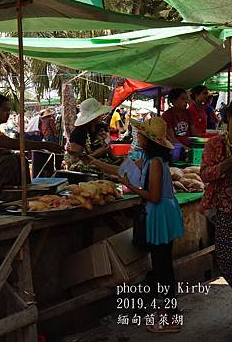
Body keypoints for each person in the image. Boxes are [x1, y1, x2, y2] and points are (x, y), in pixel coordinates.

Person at [82, 117, 184, 333]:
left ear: (148, 139)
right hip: (160, 213)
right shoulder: (148, 159)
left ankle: (170, 319)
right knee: (161, 265)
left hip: (159, 214)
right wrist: (90, 160)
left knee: (162, 266)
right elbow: (121, 170)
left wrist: (130, 186)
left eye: (140, 134)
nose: (137, 137)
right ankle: (166, 313)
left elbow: (154, 196)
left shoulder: (155, 162)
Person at [0, 94, 63, 199]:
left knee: (17, 159)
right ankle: (2, 193)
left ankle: (20, 189)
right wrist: (46, 145)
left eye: (9, 110)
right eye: (4, 110)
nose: (8, 114)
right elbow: (14, 144)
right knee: (11, 160)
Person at [200, 97, 232, 341]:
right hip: (225, 212)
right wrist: (228, 164)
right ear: (228, 118)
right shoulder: (215, 145)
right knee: (227, 264)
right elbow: (204, 175)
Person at [65, 97, 112, 172]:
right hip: (88, 173)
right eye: (99, 114)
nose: (102, 115)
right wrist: (97, 153)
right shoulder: (78, 133)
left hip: (105, 167)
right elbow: (74, 161)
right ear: (94, 117)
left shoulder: (101, 127)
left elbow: (108, 144)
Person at [162, 88, 197, 157]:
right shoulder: (167, 115)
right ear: (174, 101)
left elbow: (194, 133)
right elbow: (172, 138)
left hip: (189, 147)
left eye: (186, 99)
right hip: (175, 150)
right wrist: (185, 148)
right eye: (183, 99)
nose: (186, 101)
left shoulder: (188, 113)